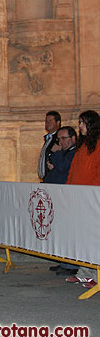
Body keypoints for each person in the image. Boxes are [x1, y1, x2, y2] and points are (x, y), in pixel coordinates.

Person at [65, 111, 100, 289]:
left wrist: (89, 192)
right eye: (79, 123)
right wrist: (69, 188)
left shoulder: (99, 145)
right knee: (82, 238)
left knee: (92, 237)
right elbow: (74, 170)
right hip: (78, 196)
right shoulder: (82, 145)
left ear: (91, 125)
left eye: (83, 123)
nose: (79, 127)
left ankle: (94, 274)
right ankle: (85, 273)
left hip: (91, 197)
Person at [43, 126, 78, 276]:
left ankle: (71, 265)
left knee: (69, 232)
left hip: (67, 196)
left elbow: (63, 168)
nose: (60, 142)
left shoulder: (73, 153)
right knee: (61, 232)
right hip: (58, 194)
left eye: (63, 138)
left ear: (73, 138)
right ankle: (64, 261)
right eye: (59, 139)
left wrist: (56, 155)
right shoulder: (64, 153)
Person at [39, 111, 61, 181]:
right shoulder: (48, 138)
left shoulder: (60, 139)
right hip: (47, 178)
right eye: (46, 121)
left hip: (54, 178)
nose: (47, 123)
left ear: (58, 123)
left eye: (50, 120)